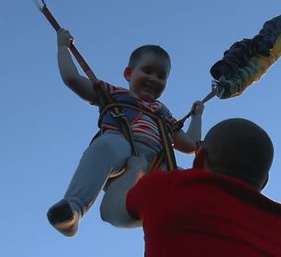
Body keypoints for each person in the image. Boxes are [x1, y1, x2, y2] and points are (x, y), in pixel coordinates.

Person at [47, 28, 204, 237]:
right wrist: (63, 48)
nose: (153, 79)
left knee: (188, 181)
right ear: (129, 74)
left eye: (161, 76)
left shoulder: (164, 114)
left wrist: (197, 117)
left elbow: (191, 145)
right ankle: (74, 208)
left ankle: (192, 228)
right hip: (123, 147)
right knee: (106, 146)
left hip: (157, 162)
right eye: (147, 71)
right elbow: (72, 79)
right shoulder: (116, 95)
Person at [102, 118, 281, 257]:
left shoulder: (169, 188)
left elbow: (111, 211)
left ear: (200, 160)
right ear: (264, 181)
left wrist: (134, 170)